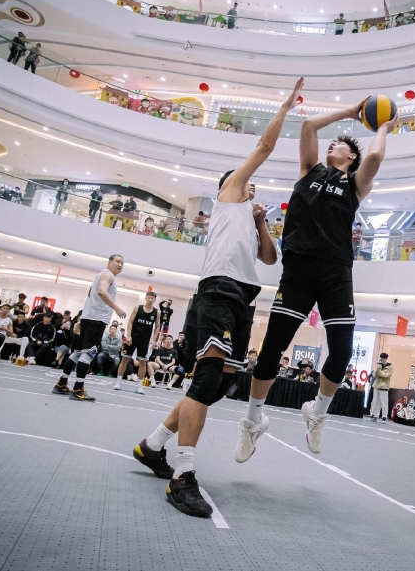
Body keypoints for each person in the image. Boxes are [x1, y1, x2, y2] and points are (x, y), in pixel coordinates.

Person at [133, 81, 294, 519]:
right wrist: (284, 105)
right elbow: (264, 146)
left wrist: (260, 222)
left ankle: (152, 445)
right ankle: (182, 475)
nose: (251, 187)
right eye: (246, 183)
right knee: (206, 379)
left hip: (242, 298)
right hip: (217, 291)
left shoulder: (246, 220)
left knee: (220, 385)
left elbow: (270, 258)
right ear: (232, 186)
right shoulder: (228, 198)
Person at [241, 88, 393, 458]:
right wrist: (351, 112)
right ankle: (253, 421)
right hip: (297, 270)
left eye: (339, 144)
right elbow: (308, 125)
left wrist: (384, 125)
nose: (331, 145)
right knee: (271, 349)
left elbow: (374, 156)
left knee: (342, 352)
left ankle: (317, 412)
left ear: (351, 156)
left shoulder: (355, 185)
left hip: (335, 273)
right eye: (331, 143)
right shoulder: (309, 170)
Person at [52, 254, 127, 401]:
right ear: (109, 262)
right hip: (96, 320)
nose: (120, 265)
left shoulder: (103, 274)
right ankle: (78, 389)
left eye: (122, 263)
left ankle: (61, 383)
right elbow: (102, 291)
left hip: (89, 317)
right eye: (117, 262)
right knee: (88, 353)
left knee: (78, 352)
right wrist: (117, 308)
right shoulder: (108, 275)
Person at [115, 291, 160, 394]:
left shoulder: (156, 312)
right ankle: (118, 382)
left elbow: (157, 327)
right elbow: (130, 322)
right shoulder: (137, 308)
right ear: (146, 298)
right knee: (125, 359)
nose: (150, 299)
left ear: (154, 300)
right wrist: (129, 336)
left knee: (143, 362)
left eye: (152, 298)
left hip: (145, 340)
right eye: (149, 297)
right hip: (133, 338)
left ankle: (139, 386)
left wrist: (154, 339)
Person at [370, 353, 393, 422]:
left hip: (384, 386)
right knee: (375, 401)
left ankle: (384, 416)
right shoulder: (379, 365)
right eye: (381, 358)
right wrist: (377, 369)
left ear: (386, 358)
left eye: (383, 358)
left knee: (384, 402)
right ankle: (374, 414)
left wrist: (379, 372)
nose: (382, 359)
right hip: (376, 385)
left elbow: (387, 376)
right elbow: (374, 375)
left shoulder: (390, 366)